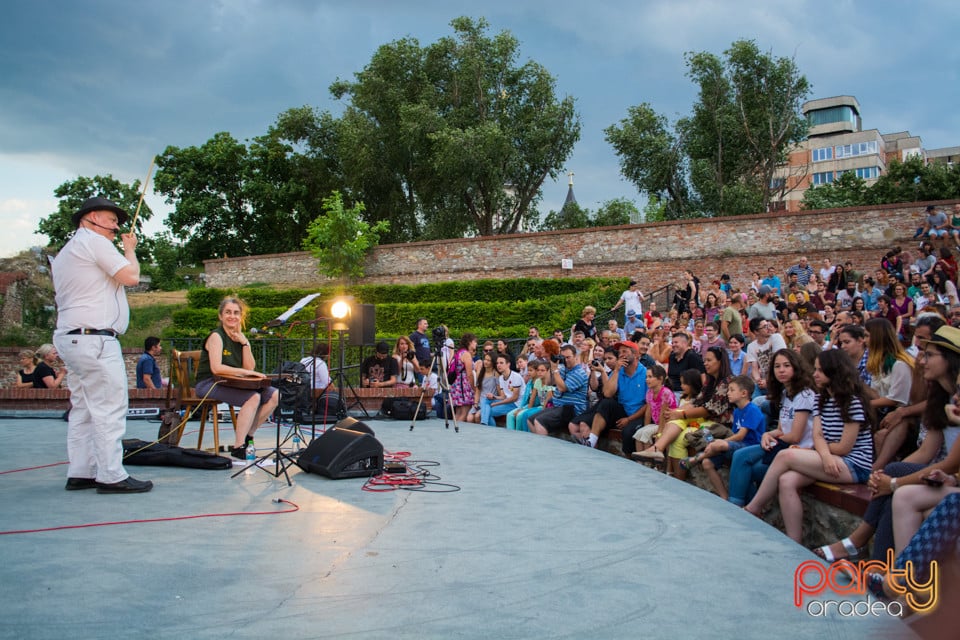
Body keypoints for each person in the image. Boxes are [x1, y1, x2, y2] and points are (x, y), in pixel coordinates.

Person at [815, 323, 960, 564]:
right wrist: (884, 479)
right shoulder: (940, 398)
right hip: (945, 474)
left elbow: (952, 461)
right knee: (891, 479)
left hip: (951, 475)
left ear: (950, 360)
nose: (921, 360)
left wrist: (893, 483)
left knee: (895, 484)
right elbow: (925, 452)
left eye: (929, 355)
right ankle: (879, 564)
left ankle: (862, 547)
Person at [51, 196, 152, 493]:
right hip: (95, 339)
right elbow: (131, 276)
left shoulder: (69, 251)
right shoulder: (95, 243)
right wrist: (129, 250)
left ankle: (81, 470)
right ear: (92, 217)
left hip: (72, 337)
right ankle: (111, 474)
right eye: (111, 220)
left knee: (83, 406)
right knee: (109, 406)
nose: (116, 226)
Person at [744, 349, 874, 543]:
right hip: (829, 458)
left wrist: (820, 454)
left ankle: (753, 508)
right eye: (815, 370)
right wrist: (824, 455)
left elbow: (845, 447)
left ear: (834, 372)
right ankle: (793, 540)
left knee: (785, 456)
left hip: (853, 465)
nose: (815, 374)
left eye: (820, 370)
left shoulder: (852, 402)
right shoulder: (822, 399)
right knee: (787, 480)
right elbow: (818, 435)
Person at [727, 349, 816, 507]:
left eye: (786, 365)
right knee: (740, 456)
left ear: (796, 367)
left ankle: (741, 507)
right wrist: (768, 434)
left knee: (748, 470)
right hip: (781, 443)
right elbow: (782, 429)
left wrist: (772, 437)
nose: (781, 370)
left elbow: (795, 436)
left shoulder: (804, 395)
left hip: (798, 449)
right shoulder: (784, 394)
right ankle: (739, 506)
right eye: (777, 366)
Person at [195, 297, 280, 460]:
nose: (232, 316)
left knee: (276, 395)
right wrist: (247, 373)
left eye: (236, 313)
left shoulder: (238, 338)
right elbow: (216, 368)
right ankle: (238, 446)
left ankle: (249, 435)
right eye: (228, 312)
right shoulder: (216, 336)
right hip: (209, 383)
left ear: (241, 317)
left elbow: (249, 367)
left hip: (231, 382)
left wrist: (245, 343)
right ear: (220, 316)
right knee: (253, 397)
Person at [634, 346, 733, 480]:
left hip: (718, 426)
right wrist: (675, 411)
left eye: (709, 360)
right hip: (703, 420)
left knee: (681, 437)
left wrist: (681, 414)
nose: (705, 363)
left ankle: (676, 478)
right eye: (705, 360)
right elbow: (697, 402)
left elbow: (709, 410)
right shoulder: (710, 381)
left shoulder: (727, 382)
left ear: (720, 362)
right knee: (675, 421)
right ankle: (658, 450)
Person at [684, 375, 765, 500]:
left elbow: (741, 435)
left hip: (750, 446)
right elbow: (734, 434)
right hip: (736, 446)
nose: (728, 393)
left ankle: (695, 459)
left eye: (732, 390)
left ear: (744, 393)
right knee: (707, 463)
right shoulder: (737, 411)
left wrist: (721, 442)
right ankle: (724, 497)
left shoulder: (752, 410)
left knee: (718, 444)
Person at [584, 340, 648, 449]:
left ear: (635, 355)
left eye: (625, 351)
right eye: (620, 352)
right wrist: (617, 371)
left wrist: (629, 419)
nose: (621, 354)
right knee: (606, 403)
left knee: (627, 433)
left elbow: (648, 404)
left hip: (639, 414)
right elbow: (607, 393)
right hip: (623, 410)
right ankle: (591, 441)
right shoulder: (619, 371)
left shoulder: (645, 373)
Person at [530, 344, 589, 436]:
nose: (566, 360)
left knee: (539, 421)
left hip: (572, 408)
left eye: (568, 357)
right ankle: (542, 443)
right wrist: (552, 365)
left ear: (576, 357)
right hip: (559, 406)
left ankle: (542, 447)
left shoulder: (579, 373)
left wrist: (555, 370)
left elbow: (562, 388)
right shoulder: (563, 370)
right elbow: (548, 382)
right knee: (531, 419)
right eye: (563, 357)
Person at [630, 364, 678, 456]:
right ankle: (640, 461)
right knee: (639, 433)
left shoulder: (665, 392)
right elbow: (648, 412)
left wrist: (660, 433)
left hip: (666, 424)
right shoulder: (649, 392)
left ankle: (650, 462)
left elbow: (663, 415)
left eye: (650, 377)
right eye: (646, 377)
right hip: (656, 424)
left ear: (660, 379)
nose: (646, 379)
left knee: (646, 433)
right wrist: (645, 426)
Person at [483, 355, 524, 426]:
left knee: (488, 412)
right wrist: (494, 397)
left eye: (501, 363)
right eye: (497, 363)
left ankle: (488, 428)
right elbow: (503, 396)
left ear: (508, 364)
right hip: (507, 401)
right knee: (486, 399)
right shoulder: (501, 378)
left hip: (516, 404)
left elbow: (514, 398)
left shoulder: (516, 377)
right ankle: (484, 423)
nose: (498, 365)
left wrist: (496, 404)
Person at [448, 334, 478, 423]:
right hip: (464, 385)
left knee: (458, 412)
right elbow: (469, 374)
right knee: (465, 412)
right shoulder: (466, 354)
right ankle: (460, 433)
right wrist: (474, 388)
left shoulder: (459, 352)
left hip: (456, 384)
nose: (476, 344)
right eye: (475, 341)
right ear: (470, 342)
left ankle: (453, 431)